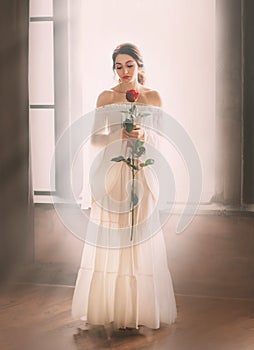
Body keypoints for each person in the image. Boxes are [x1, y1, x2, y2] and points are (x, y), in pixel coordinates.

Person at [72, 43, 177, 335]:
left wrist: (142, 134)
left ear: (140, 66)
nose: (124, 72)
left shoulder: (153, 97)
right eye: (118, 66)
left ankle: (136, 310)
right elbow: (94, 140)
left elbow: (162, 139)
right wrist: (118, 135)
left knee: (139, 237)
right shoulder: (106, 97)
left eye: (129, 65)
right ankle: (113, 310)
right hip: (113, 172)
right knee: (113, 239)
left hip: (142, 172)